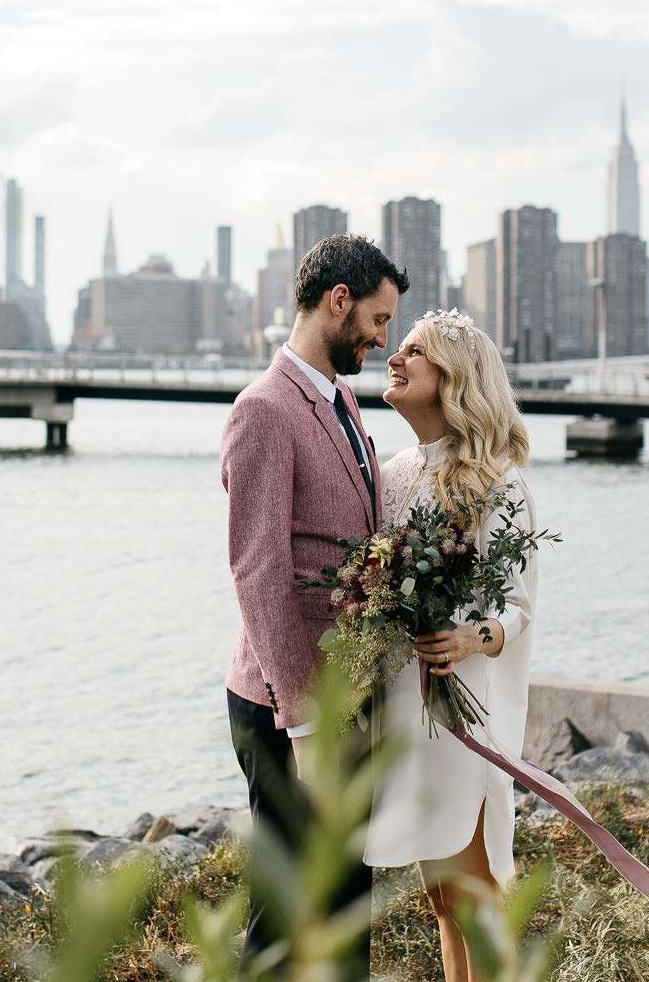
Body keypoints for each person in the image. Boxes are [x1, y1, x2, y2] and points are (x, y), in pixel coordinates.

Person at [221, 233, 409, 977]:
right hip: (286, 706)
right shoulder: (264, 409)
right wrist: (302, 723)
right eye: (378, 318)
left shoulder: (341, 404)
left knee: (342, 904)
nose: (382, 337)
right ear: (340, 301)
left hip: (345, 696)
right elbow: (259, 571)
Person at [366, 308, 539, 982]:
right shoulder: (392, 473)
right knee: (441, 897)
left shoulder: (502, 482)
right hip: (404, 710)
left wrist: (471, 637)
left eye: (414, 351)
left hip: (459, 710)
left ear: (453, 379)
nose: (394, 357)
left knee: (474, 893)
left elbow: (519, 607)